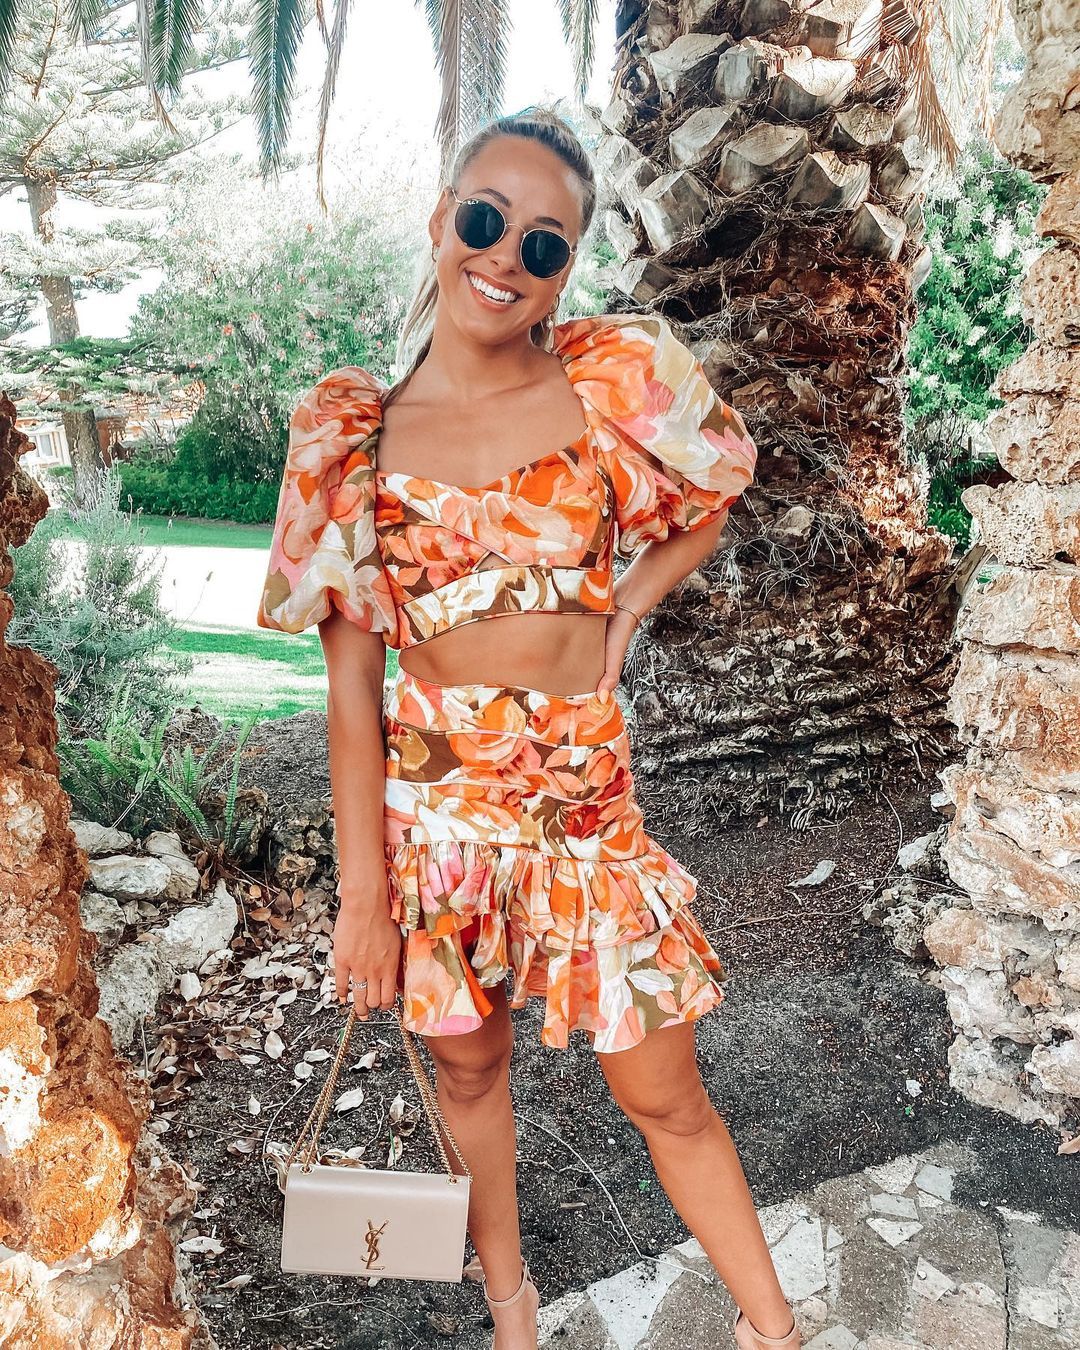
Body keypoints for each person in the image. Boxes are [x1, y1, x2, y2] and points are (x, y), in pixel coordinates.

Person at [257, 105, 800, 1350]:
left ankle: (775, 1333)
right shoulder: (350, 433)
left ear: (565, 268)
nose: (505, 257)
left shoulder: (611, 380)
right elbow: (352, 690)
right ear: (441, 219)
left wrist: (629, 613)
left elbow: (715, 488)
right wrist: (362, 901)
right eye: (486, 219)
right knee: (466, 1070)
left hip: (582, 811)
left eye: (543, 243)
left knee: (664, 1090)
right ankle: (513, 1310)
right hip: (434, 823)